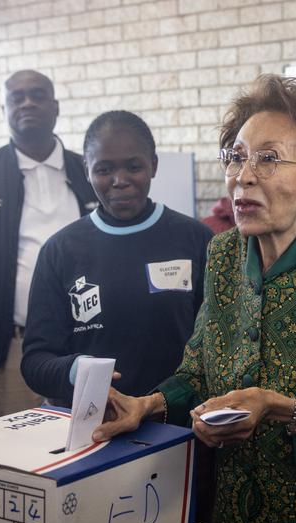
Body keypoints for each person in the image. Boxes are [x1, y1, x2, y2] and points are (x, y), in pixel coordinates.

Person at [92, 76, 296, 523]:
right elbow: (199, 373)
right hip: (236, 516)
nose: (243, 175)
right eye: (237, 156)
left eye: (269, 159)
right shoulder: (224, 254)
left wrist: (281, 408)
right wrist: (148, 404)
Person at [21, 110, 213, 406]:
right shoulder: (60, 250)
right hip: (94, 425)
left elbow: (219, 346)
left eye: (133, 166)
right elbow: (35, 362)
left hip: (177, 424)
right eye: (104, 169)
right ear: (86, 170)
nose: (119, 180)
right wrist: (75, 370)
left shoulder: (196, 240)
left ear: (154, 165)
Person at [0, 70, 98, 420]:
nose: (27, 103)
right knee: (12, 465)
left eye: (37, 94)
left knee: (88, 454)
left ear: (55, 106)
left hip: (88, 345)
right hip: (9, 355)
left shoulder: (88, 172)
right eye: (16, 97)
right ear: (4, 109)